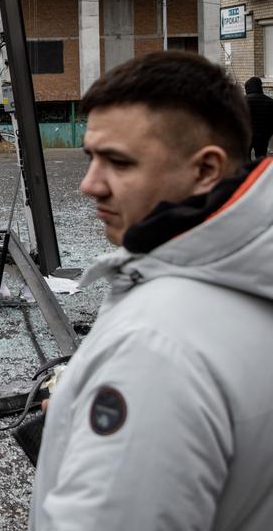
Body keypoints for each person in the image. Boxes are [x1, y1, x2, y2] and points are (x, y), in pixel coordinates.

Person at [30, 51, 273, 530]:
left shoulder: (154, 349)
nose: (89, 185)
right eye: (91, 158)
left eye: (117, 163)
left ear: (205, 170)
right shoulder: (250, 276)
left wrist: (136, 393)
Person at [244, 76, 273, 158]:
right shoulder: (270, 102)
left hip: (247, 135)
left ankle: (249, 170)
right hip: (263, 136)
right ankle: (261, 170)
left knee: (246, 157)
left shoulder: (243, 101)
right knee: (261, 157)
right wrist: (268, 133)